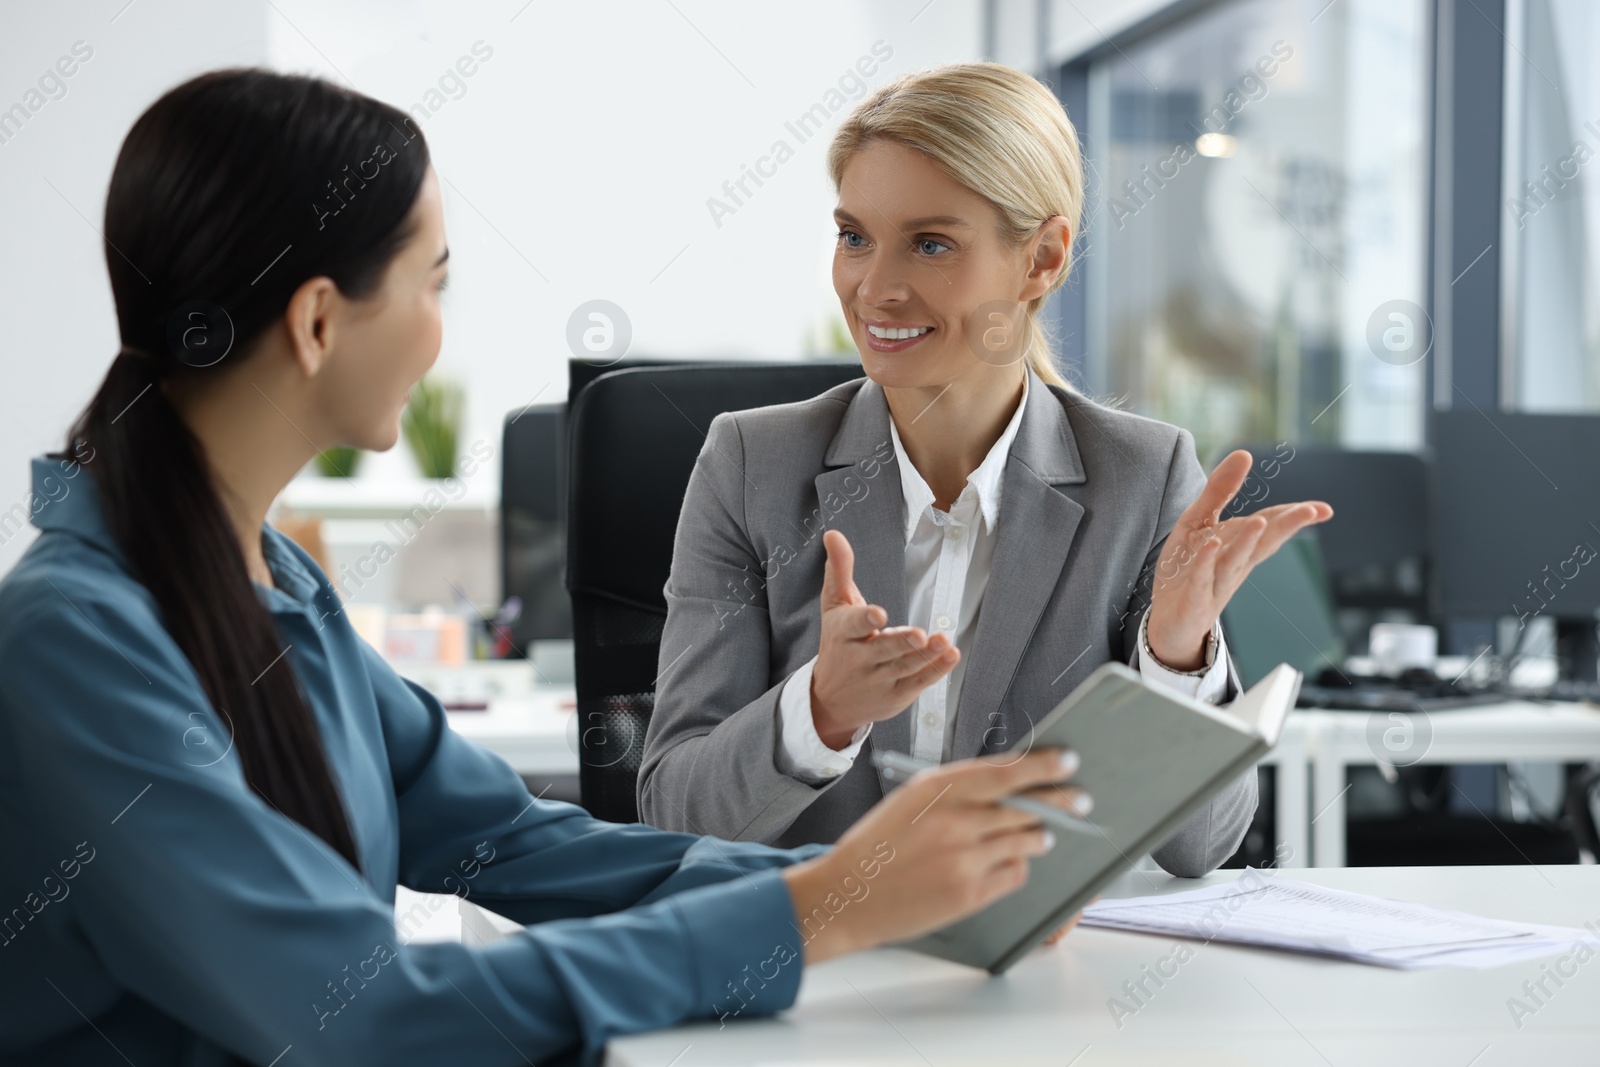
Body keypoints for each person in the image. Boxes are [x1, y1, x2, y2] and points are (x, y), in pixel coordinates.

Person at [0, 69, 1091, 1067]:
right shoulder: (75, 642)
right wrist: (816, 913)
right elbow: (358, 1013)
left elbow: (513, 841)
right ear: (321, 320)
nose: (439, 333)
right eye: (432, 284)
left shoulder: (267, 583)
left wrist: (886, 885)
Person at [638, 63, 1332, 875]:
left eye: (930, 244)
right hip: (820, 974)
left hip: (1043, 979)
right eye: (854, 236)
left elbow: (1199, 846)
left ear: (1040, 259)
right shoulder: (751, 465)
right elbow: (672, 809)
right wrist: (820, 711)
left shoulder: (1142, 477)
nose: (876, 287)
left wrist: (1174, 656)